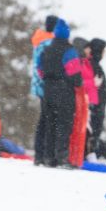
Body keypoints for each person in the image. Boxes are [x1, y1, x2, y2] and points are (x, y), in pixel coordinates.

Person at [38, 19, 82, 167]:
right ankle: (61, 157)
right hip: (64, 91)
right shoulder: (69, 51)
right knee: (64, 125)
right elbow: (75, 74)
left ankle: (48, 157)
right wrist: (76, 82)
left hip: (48, 90)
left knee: (50, 124)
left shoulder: (46, 49)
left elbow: (39, 69)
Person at [31, 15, 58, 164]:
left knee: (43, 119)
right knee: (46, 120)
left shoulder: (38, 40)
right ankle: (42, 153)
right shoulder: (48, 42)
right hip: (46, 84)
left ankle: (39, 154)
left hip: (38, 82)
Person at [69, 37, 96, 167]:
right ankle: (77, 155)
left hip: (86, 101)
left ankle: (81, 154)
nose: (89, 50)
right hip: (80, 101)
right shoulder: (78, 62)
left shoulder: (85, 62)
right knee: (81, 129)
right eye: (87, 47)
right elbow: (78, 80)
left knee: (87, 130)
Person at [87, 38, 106, 148]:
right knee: (94, 131)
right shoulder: (93, 65)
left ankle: (92, 150)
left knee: (95, 131)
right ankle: (91, 151)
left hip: (98, 103)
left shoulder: (94, 64)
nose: (105, 53)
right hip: (95, 105)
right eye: (103, 50)